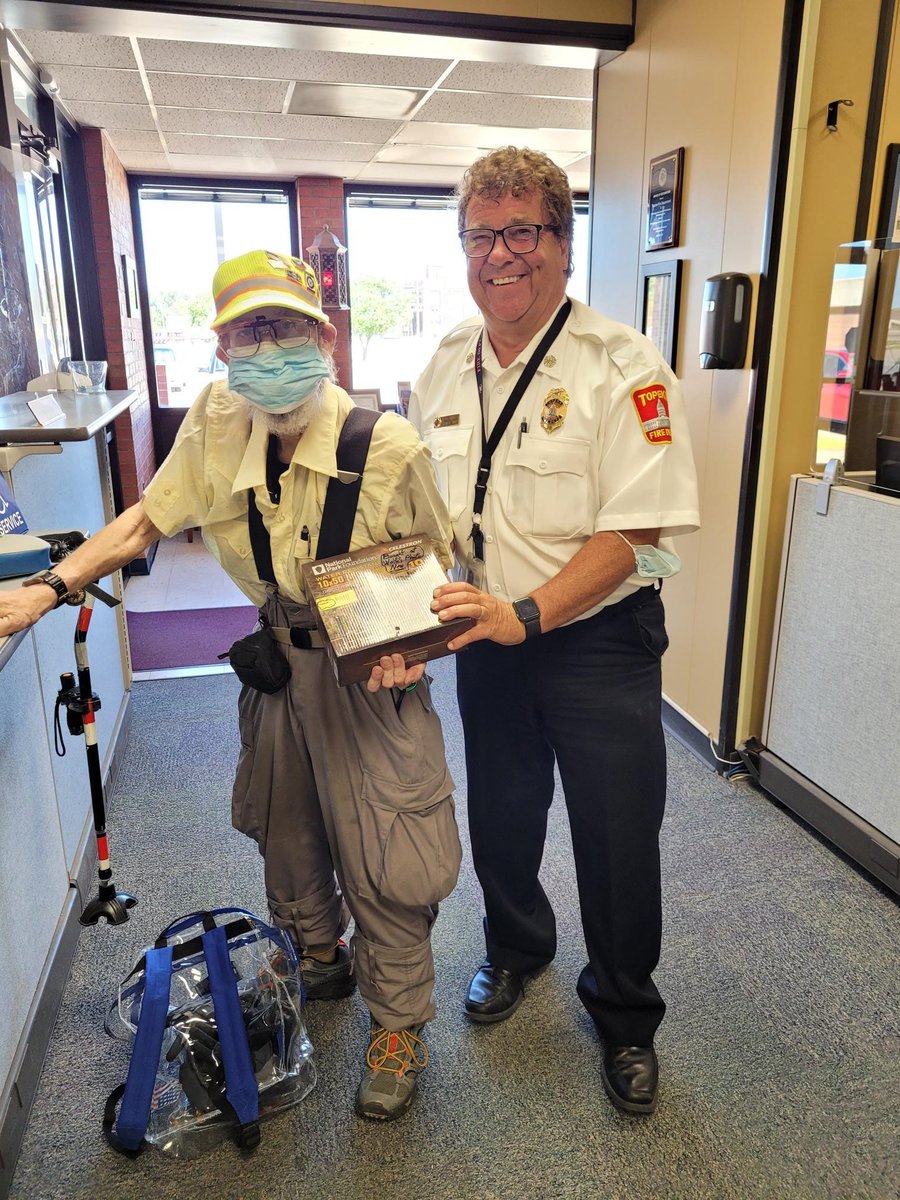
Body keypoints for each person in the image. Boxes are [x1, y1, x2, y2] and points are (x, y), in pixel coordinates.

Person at [0, 249, 462, 1123]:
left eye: (286, 328)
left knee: (385, 847)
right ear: (222, 347)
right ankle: (320, 957)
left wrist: (417, 653)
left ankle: (400, 1024)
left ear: (325, 339)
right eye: (248, 332)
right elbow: (147, 520)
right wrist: (48, 590)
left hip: (368, 665)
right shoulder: (216, 421)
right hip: (277, 662)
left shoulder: (386, 447)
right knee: (286, 831)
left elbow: (437, 571)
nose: (268, 348)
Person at [408, 148, 700, 1115]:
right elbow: (424, 516)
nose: (499, 254)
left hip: (595, 643)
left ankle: (625, 1015)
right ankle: (516, 949)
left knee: (615, 835)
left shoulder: (622, 365)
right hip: (485, 637)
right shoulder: (446, 362)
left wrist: (528, 613)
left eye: (521, 231)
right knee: (502, 813)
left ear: (562, 246)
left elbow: (635, 531)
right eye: (480, 234)